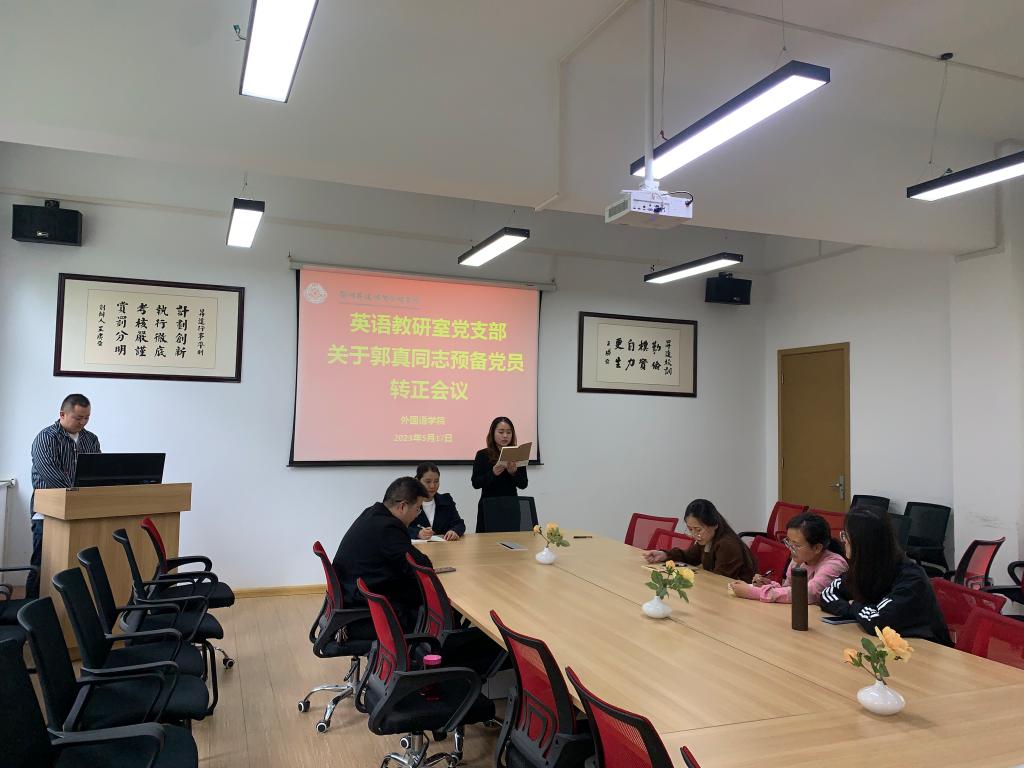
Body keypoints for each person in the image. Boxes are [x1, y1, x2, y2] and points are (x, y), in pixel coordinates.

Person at [820, 506, 952, 645]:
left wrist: (855, 606)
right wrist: (853, 609)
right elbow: (828, 593)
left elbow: (879, 622)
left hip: (924, 648)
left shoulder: (911, 578)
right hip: (888, 645)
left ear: (863, 543)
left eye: (846, 536)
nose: (844, 541)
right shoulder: (864, 567)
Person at [332, 476, 433, 630]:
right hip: (365, 608)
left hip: (351, 594)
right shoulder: (388, 528)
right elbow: (421, 567)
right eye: (417, 509)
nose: (416, 515)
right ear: (402, 506)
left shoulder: (372, 513)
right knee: (433, 603)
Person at [29, 394, 100, 598]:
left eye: (87, 417)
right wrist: (80, 494)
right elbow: (52, 476)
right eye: (78, 418)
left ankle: (68, 608)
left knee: (72, 565)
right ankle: (29, 609)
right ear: (62, 414)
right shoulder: (46, 438)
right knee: (42, 564)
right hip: (48, 514)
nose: (83, 422)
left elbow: (97, 472)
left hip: (80, 512)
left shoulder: (90, 439)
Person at [729, 512, 848, 603]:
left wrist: (752, 592)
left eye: (796, 545)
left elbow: (807, 594)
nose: (790, 549)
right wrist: (767, 584)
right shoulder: (799, 559)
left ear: (817, 548)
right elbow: (788, 589)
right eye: (788, 542)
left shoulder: (834, 564)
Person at [641, 499, 756, 581]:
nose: (694, 535)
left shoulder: (727, 545)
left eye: (698, 529)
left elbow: (720, 581)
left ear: (714, 525)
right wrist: (664, 554)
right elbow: (689, 557)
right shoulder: (708, 539)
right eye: (690, 529)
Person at [471, 416, 528, 533]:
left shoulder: (517, 454)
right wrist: (492, 473)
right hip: (488, 506)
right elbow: (476, 483)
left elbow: (523, 484)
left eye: (509, 432)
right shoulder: (483, 455)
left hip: (511, 506)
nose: (505, 436)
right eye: (501, 432)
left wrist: (514, 473)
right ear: (493, 433)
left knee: (512, 540)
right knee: (486, 542)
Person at [408, 462, 466, 541]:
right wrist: (418, 533)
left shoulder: (446, 500)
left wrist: (454, 531)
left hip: (444, 546)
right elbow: (400, 527)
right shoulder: (409, 502)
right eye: (428, 482)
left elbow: (459, 524)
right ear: (418, 481)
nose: (433, 486)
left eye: (436, 481)